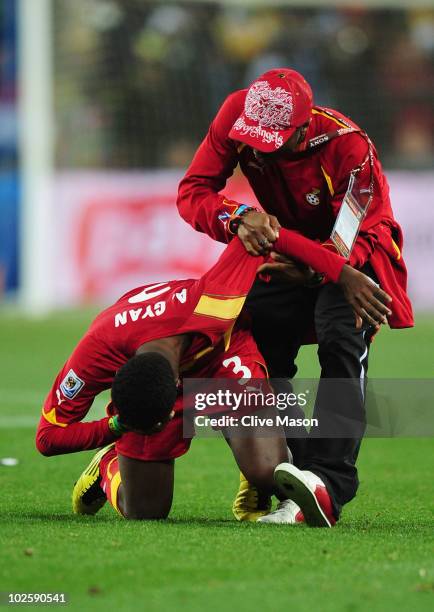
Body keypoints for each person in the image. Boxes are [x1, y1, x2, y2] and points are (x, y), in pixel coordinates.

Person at [176, 68, 414, 524]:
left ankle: (329, 483)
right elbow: (193, 192)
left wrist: (317, 268)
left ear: (303, 129)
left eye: (274, 138)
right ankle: (294, 469)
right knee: (255, 348)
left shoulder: (350, 147)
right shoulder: (237, 113)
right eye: (255, 136)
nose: (260, 145)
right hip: (283, 254)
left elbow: (358, 231)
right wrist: (237, 216)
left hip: (354, 260)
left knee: (342, 339)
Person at [36, 230, 391, 524]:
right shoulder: (97, 351)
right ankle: (107, 467)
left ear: (175, 388)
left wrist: (338, 272)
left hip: (225, 356)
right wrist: (114, 429)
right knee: (144, 512)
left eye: (156, 423)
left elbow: (267, 233)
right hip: (150, 390)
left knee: (273, 472)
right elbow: (47, 437)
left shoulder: (213, 298)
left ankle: (254, 476)